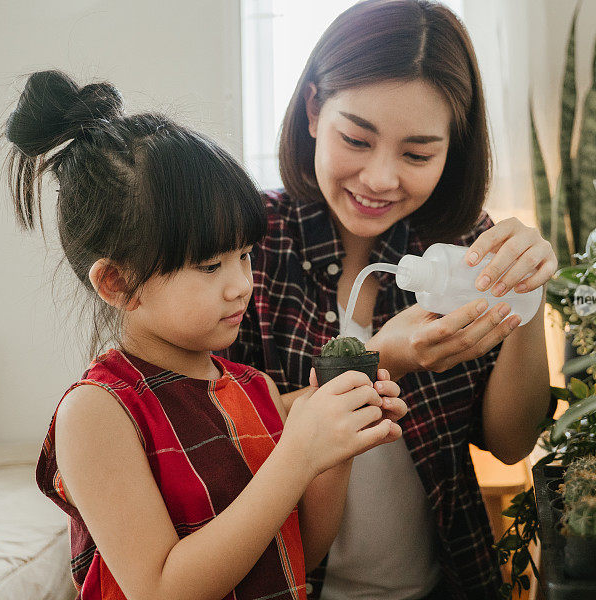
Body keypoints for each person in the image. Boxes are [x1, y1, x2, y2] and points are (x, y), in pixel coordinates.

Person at [6, 70, 408, 600]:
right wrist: (297, 457)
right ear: (119, 282)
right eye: (210, 265)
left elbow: (298, 554)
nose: (241, 284)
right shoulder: (98, 413)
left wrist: (334, 448)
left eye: (244, 256)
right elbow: (162, 588)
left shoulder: (253, 389)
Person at [228, 1, 557, 598]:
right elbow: (222, 433)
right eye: (356, 138)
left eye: (417, 154)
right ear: (311, 111)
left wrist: (527, 299)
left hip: (446, 581)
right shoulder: (246, 244)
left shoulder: (462, 250)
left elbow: (511, 444)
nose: (381, 179)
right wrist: (380, 359)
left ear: (451, 149)